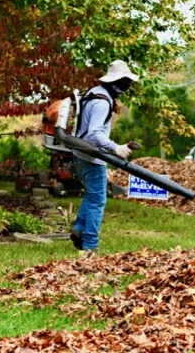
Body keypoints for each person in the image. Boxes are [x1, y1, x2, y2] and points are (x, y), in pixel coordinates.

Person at [70, 60, 139, 257]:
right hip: (92, 156)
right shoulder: (102, 101)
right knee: (98, 200)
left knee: (92, 195)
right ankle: (90, 246)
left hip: (82, 153)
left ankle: (79, 228)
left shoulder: (94, 92)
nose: (127, 87)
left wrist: (120, 146)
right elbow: (94, 134)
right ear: (116, 81)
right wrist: (115, 148)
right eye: (125, 82)